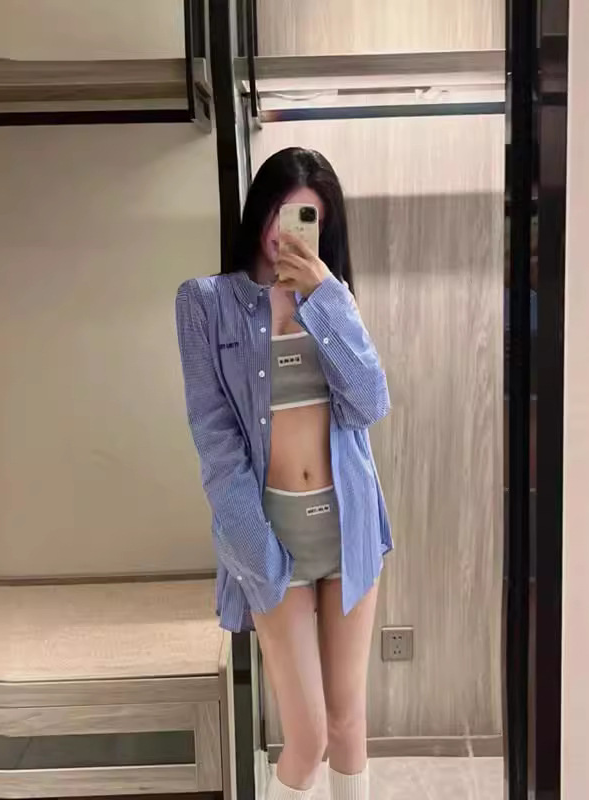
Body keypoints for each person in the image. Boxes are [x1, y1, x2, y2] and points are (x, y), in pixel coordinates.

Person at [176, 147, 392, 800]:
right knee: (308, 736)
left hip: (349, 532)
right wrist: (258, 555)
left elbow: (370, 402)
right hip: (273, 542)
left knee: (349, 724)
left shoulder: (333, 298)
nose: (283, 229)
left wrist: (323, 297)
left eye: (304, 217)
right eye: (277, 209)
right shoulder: (206, 303)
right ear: (258, 211)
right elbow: (215, 442)